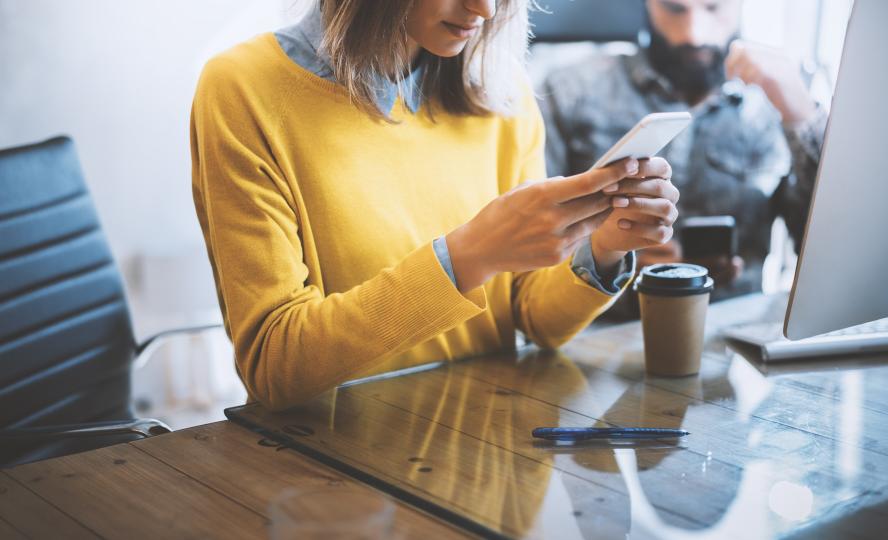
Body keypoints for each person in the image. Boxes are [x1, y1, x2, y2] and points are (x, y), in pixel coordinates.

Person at [190, 0, 680, 410]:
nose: (484, 10)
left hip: (489, 466)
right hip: (335, 486)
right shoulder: (244, 88)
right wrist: (469, 257)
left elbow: (532, 320)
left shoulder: (502, 93)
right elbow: (276, 366)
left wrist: (604, 244)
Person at [539, 0, 827, 314]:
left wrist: (801, 116)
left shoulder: (776, 100)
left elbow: (827, 253)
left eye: (713, 8)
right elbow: (534, 242)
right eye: (675, 9)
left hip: (735, 326)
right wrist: (605, 255)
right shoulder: (569, 91)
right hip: (598, 327)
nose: (694, 34)